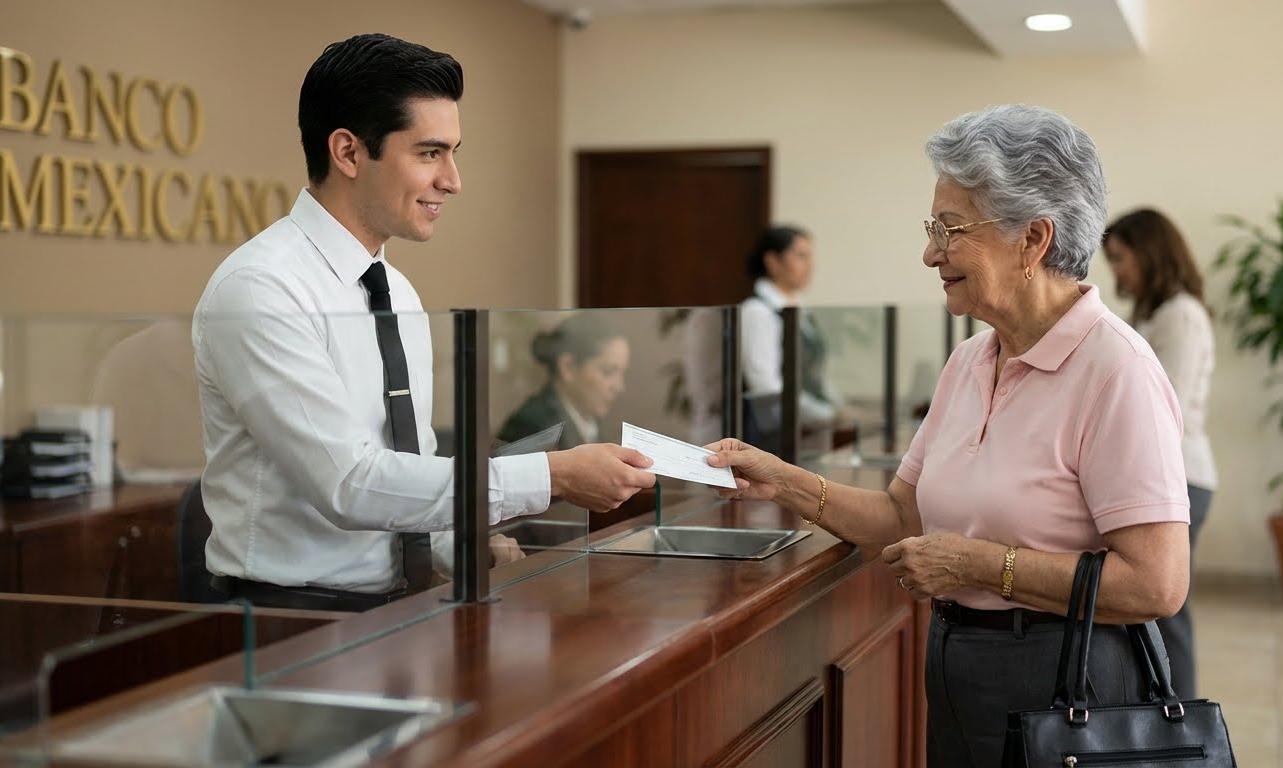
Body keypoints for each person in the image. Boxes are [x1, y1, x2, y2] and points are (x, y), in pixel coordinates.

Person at [705, 105, 1191, 767]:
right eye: (932, 228)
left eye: (949, 228)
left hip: (1067, 685)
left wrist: (976, 565)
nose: (930, 252)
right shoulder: (969, 360)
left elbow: (1156, 585)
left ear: (1033, 239)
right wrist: (780, 479)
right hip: (959, 671)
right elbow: (902, 515)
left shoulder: (1116, 369)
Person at [192, 34, 655, 611]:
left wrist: (460, 547)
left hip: (397, 608)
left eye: (453, 153)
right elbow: (349, 484)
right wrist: (551, 476)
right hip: (287, 620)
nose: (453, 180)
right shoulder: (261, 288)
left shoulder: (398, 292)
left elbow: (404, 470)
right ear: (349, 153)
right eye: (430, 153)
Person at [1104, 207, 1216, 700]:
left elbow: (1166, 409)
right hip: (1165, 478)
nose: (1116, 271)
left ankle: (1182, 718)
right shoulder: (1152, 314)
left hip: (1183, 478)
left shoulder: (1182, 316)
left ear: (1149, 253)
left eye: (1120, 258)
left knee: (1167, 608)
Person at [739, 225, 839, 451]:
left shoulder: (800, 309)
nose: (809, 265)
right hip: (772, 436)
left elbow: (814, 376)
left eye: (810, 257)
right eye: (800, 256)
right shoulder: (757, 311)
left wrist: (837, 406)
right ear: (773, 261)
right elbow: (766, 386)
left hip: (805, 428)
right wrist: (825, 413)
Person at [497, 314, 629, 450]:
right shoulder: (531, 429)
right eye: (607, 372)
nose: (619, 387)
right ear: (568, 367)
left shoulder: (595, 424)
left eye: (621, 373)